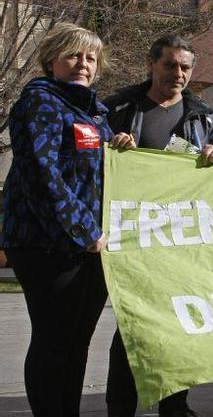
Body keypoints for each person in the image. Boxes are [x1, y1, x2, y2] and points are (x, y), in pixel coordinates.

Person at [103, 34, 213, 417]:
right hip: (132, 234)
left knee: (180, 322)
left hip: (182, 237)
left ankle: (176, 405)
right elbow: (92, 152)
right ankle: (120, 407)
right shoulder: (120, 107)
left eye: (185, 67)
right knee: (131, 324)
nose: (178, 73)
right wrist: (112, 143)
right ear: (151, 64)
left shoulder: (204, 116)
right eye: (170, 65)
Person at [1, 22, 114, 416]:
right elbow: (42, 175)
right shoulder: (40, 102)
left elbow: (100, 174)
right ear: (52, 61)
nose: (83, 64)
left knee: (78, 340)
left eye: (91, 58)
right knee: (54, 339)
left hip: (91, 244)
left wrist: (120, 147)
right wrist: (83, 229)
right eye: (73, 55)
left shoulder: (97, 114)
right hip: (47, 244)